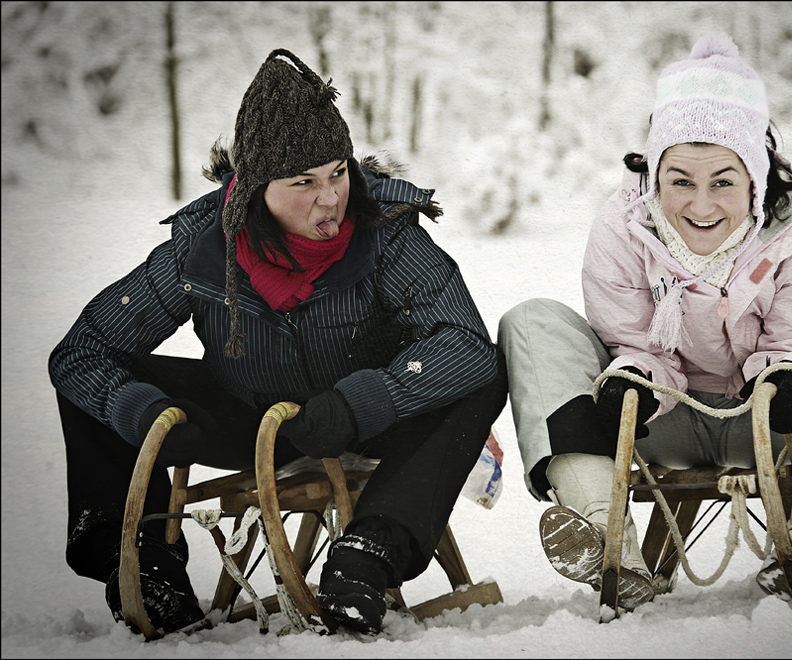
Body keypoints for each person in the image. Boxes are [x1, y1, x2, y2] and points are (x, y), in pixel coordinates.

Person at [49, 49, 507, 636]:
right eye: (303, 183)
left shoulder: (384, 233)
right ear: (255, 189)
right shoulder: (203, 250)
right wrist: (140, 411)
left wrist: (361, 403)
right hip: (246, 414)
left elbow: (463, 344)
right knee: (94, 381)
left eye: (338, 172)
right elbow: (82, 350)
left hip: (364, 415)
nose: (331, 198)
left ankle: (369, 554)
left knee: (482, 371)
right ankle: (142, 567)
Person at [497, 35, 792, 611]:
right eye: (680, 180)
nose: (700, 207)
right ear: (655, 174)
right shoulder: (622, 225)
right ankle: (604, 539)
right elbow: (630, 339)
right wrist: (636, 380)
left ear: (755, 178)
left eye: (722, 182)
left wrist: (786, 378)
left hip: (778, 424)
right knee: (530, 321)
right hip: (659, 420)